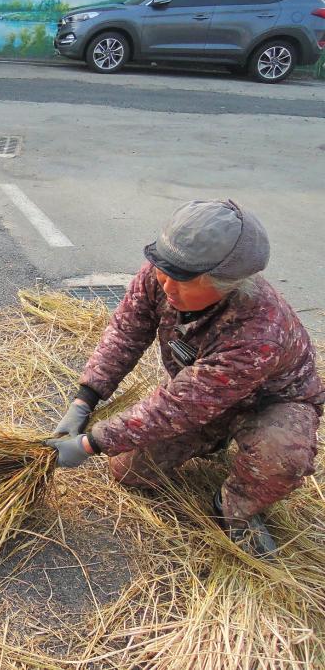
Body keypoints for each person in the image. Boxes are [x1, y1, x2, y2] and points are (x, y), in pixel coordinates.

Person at [45, 199, 323, 556]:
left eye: (182, 282)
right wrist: (85, 399)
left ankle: (233, 508)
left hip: (271, 404)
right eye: (163, 273)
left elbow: (177, 407)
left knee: (281, 456)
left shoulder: (258, 329)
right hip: (201, 397)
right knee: (128, 472)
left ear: (228, 285)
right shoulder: (163, 273)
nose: (166, 287)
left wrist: (90, 443)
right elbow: (127, 332)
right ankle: (214, 440)